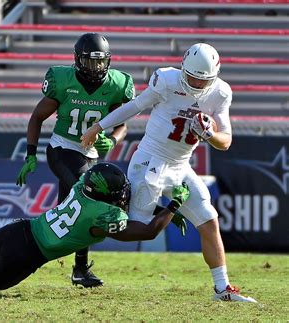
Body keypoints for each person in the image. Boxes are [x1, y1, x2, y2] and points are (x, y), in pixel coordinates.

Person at [81, 43, 257, 303]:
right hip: (149, 161)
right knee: (138, 228)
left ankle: (223, 289)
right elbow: (136, 105)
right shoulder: (167, 79)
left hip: (180, 166)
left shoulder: (220, 92)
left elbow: (226, 141)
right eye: (192, 77)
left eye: (202, 79)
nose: (196, 83)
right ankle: (85, 226)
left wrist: (208, 134)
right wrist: (99, 126)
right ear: (183, 69)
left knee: (209, 219)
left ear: (214, 75)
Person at [0, 163, 190, 294]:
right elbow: (148, 231)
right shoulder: (103, 214)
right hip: (28, 253)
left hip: (21, 229)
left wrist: (163, 210)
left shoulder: (83, 187)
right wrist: (173, 206)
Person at [16, 33, 134, 288]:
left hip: (89, 154)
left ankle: (25, 239)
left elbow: (122, 126)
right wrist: (30, 154)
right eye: (90, 62)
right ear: (78, 60)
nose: (96, 68)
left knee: (67, 212)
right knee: (87, 199)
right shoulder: (63, 80)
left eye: (100, 62)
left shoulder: (116, 84)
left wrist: (113, 140)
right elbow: (37, 117)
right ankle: (77, 267)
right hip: (62, 147)